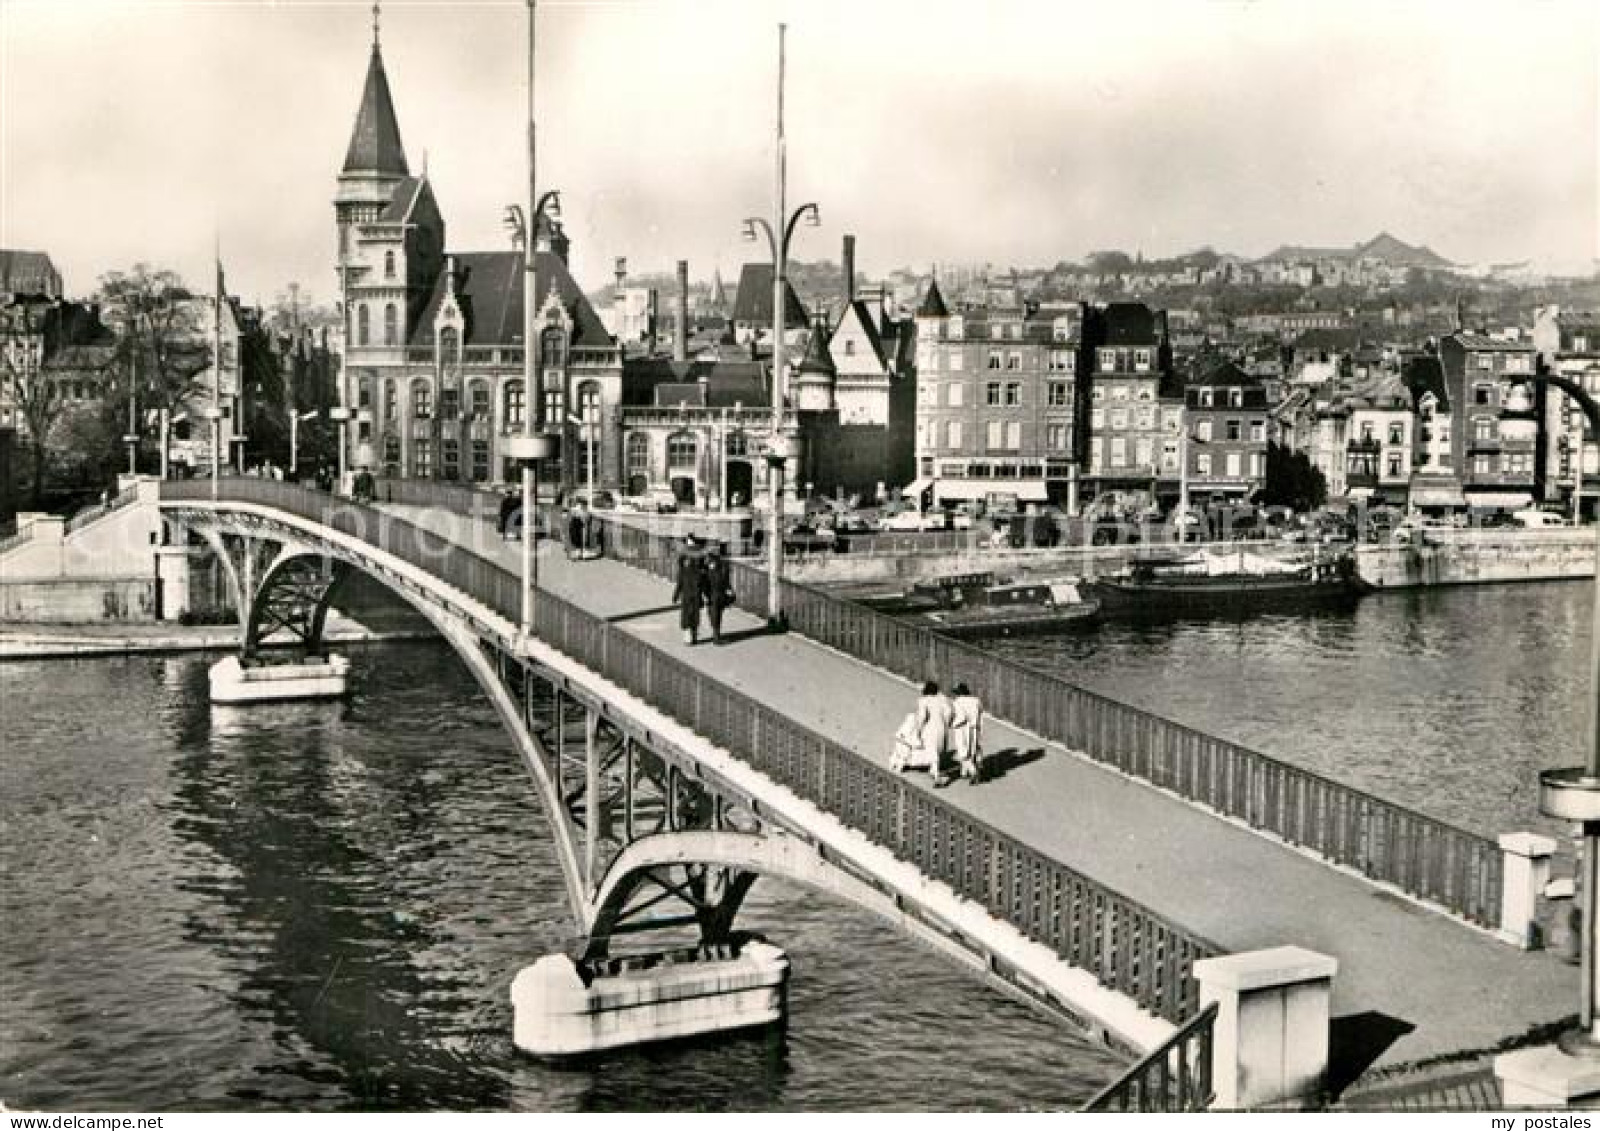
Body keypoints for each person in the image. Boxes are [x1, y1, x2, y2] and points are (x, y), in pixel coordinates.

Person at [914, 680, 956, 787]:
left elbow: (922, 716)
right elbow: (950, 713)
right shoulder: (943, 699)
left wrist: (918, 730)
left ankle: (937, 776)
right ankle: (933, 770)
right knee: (939, 749)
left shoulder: (923, 700)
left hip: (930, 727)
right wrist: (947, 723)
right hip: (942, 727)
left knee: (932, 750)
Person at [670, 533, 706, 645]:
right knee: (693, 614)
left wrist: (676, 595)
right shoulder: (698, 557)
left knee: (688, 614)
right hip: (694, 590)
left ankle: (689, 636)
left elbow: (680, 580)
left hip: (689, 591)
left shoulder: (687, 559)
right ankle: (692, 635)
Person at [950, 682, 985, 783]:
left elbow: (961, 717)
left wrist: (953, 725)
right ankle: (964, 772)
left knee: (963, 751)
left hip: (963, 729)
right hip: (975, 728)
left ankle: (973, 772)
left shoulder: (958, 702)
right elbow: (981, 713)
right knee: (973, 749)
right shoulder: (976, 700)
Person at [701, 542, 734, 644]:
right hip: (715, 593)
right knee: (715, 614)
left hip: (714, 593)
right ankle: (716, 636)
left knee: (715, 613)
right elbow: (724, 580)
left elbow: (723, 580)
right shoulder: (720, 565)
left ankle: (716, 635)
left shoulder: (712, 565)